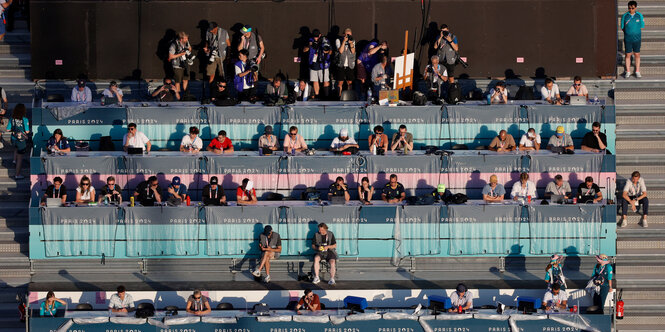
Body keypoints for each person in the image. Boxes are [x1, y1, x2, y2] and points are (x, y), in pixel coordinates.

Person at [304, 29, 332, 99]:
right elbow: (304, 50)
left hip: (323, 63)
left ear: (320, 35)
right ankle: (317, 96)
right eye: (314, 37)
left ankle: (326, 97)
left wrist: (327, 51)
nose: (315, 38)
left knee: (325, 81)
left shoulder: (325, 40)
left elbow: (330, 51)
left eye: (317, 36)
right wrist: (309, 45)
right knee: (315, 81)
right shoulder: (310, 40)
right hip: (313, 63)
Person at [621, 1, 645, 78]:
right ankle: (628, 71)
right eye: (629, 8)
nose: (631, 9)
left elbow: (642, 26)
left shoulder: (639, 15)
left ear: (635, 8)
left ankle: (637, 71)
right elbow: (622, 27)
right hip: (628, 39)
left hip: (637, 39)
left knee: (637, 54)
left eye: (632, 8)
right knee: (628, 54)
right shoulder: (625, 16)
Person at [6, 103, 29, 179]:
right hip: (21, 140)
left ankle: (14, 160)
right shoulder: (25, 119)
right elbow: (27, 131)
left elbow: (8, 129)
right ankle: (17, 174)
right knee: (20, 157)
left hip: (13, 138)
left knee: (16, 148)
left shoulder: (11, 119)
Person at [335, 28, 356, 98]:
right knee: (340, 82)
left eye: (349, 34)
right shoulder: (338, 40)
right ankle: (339, 96)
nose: (348, 36)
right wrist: (344, 41)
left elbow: (353, 52)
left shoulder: (352, 41)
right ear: (344, 34)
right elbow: (340, 51)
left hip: (350, 64)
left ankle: (349, 96)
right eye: (347, 34)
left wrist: (351, 44)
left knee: (349, 82)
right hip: (341, 64)